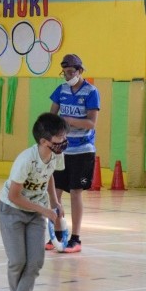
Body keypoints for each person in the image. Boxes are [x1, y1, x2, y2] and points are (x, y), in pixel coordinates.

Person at [0, 113, 68, 291]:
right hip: (12, 211)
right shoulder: (25, 160)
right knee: (18, 260)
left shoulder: (56, 155)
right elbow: (14, 196)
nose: (63, 143)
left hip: (37, 212)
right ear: (43, 142)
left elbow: (49, 175)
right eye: (58, 140)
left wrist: (55, 202)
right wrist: (44, 210)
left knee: (35, 261)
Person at [47, 53, 99, 253]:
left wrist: (68, 120)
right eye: (65, 73)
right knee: (56, 192)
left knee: (76, 192)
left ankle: (75, 238)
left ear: (80, 71)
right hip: (62, 149)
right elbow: (52, 116)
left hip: (83, 150)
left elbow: (91, 123)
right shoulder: (61, 90)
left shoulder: (91, 92)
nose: (68, 76)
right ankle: (57, 234)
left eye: (71, 72)